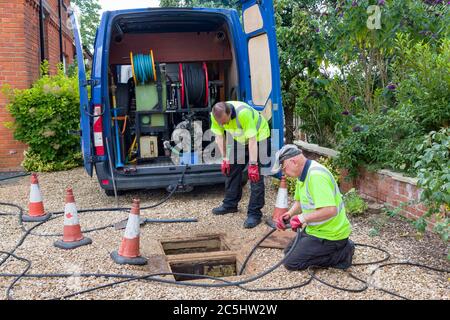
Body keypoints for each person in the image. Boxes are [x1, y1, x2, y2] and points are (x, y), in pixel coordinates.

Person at [271, 144, 355, 270]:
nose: (284, 173)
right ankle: (337, 248)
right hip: (316, 230)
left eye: (284, 168)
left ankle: (343, 253)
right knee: (288, 252)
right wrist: (289, 214)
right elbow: (300, 202)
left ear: (293, 161)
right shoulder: (303, 174)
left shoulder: (316, 176)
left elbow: (330, 210)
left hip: (331, 235)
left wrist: (302, 218)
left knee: (291, 263)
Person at [210, 101, 271, 228]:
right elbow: (219, 136)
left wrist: (253, 164)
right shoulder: (215, 115)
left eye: (225, 121)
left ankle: (254, 214)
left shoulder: (243, 113)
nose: (223, 124)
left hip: (259, 137)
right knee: (231, 169)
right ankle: (230, 204)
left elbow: (253, 140)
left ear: (229, 112)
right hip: (240, 139)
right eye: (221, 123)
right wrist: (225, 158)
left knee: (255, 176)